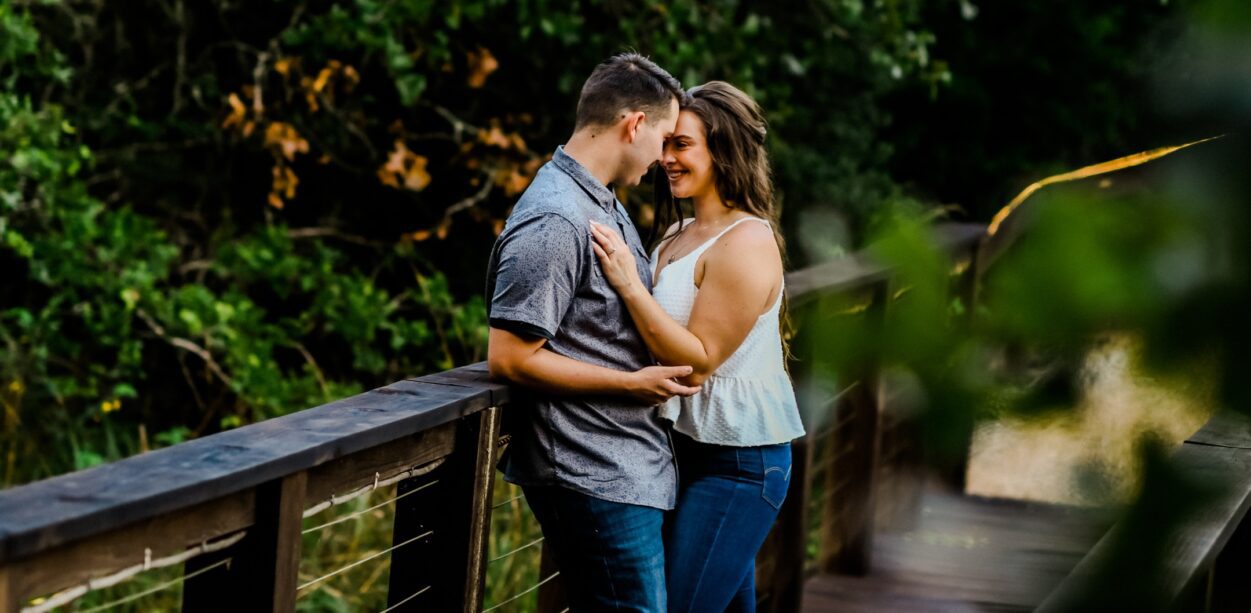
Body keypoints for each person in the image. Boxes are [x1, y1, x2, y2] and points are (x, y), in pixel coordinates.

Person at [484, 53, 696, 612]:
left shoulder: (600, 202)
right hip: (591, 472)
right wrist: (632, 385)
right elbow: (508, 358)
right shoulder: (556, 218)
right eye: (664, 138)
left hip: (624, 467)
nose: (663, 156)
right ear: (634, 125)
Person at [589, 80, 806, 612]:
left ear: (723, 148)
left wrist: (629, 284)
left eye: (682, 144)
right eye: (665, 144)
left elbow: (696, 362)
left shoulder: (748, 241)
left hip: (739, 465)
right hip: (679, 451)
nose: (666, 158)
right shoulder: (675, 234)